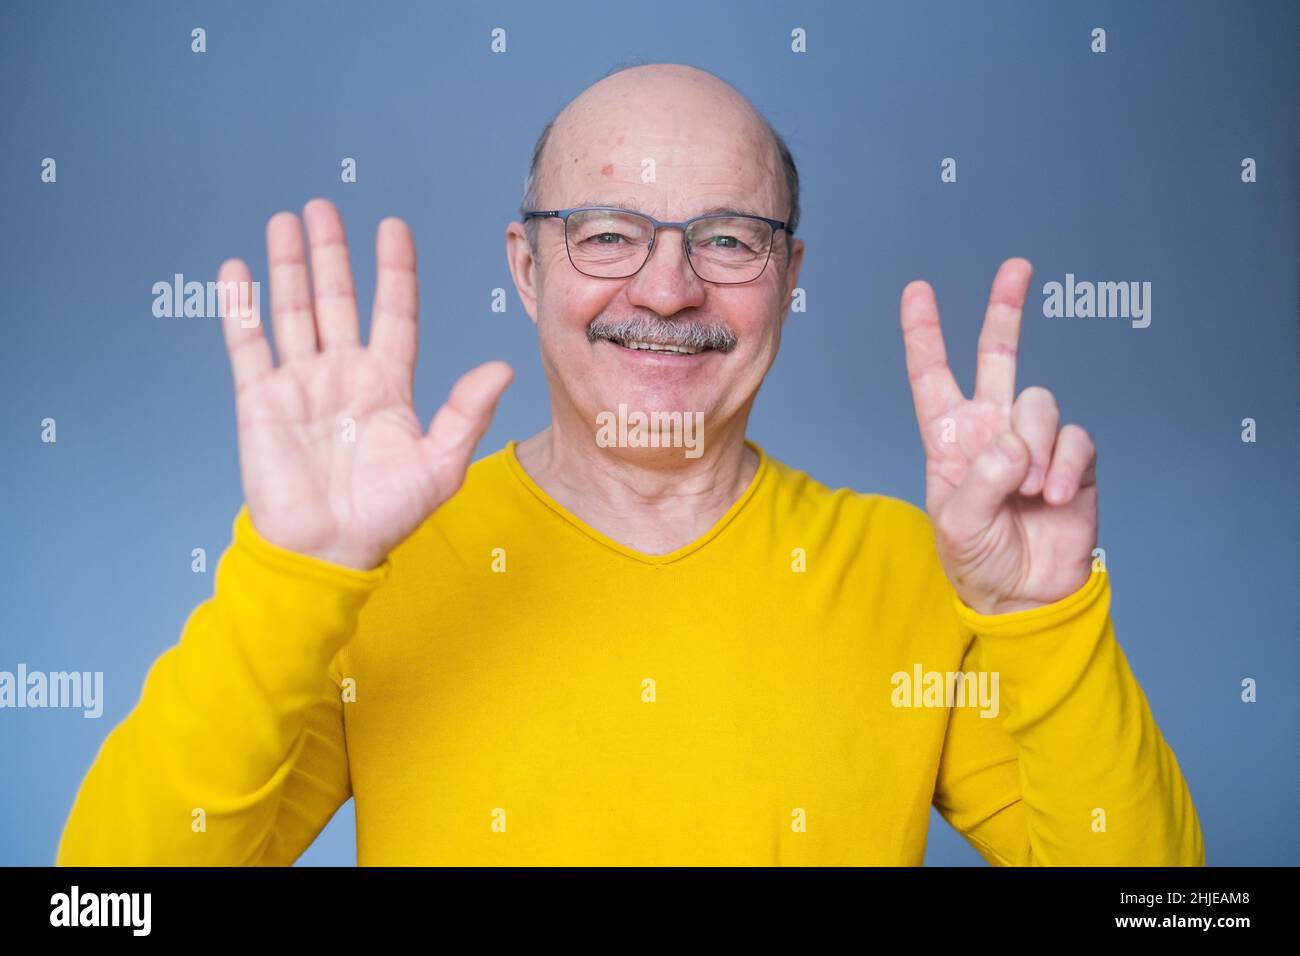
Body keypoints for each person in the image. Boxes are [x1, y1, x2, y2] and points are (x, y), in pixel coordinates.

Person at [57, 64, 1203, 865]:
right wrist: (291, 575)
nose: (665, 288)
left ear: (789, 275)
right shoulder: (375, 578)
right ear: (525, 264)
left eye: (726, 237)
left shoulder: (914, 572)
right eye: (606, 231)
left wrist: (1042, 615)